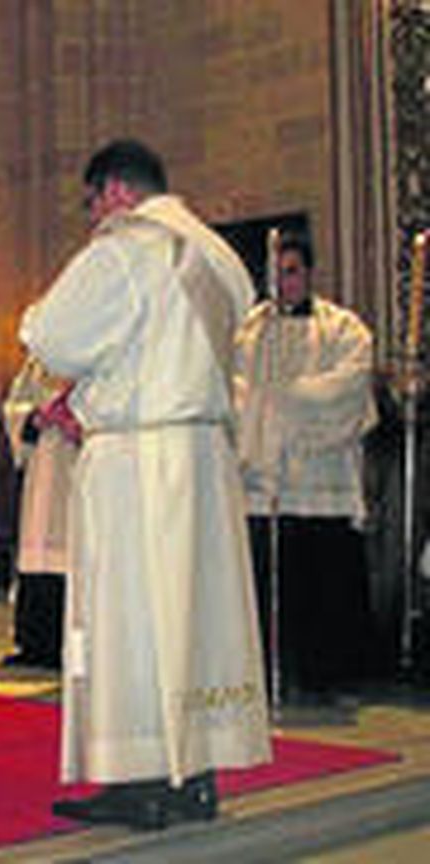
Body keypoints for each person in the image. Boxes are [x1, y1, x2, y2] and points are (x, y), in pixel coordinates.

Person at [20, 139, 271, 830]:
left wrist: (43, 332)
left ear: (116, 192)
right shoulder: (218, 257)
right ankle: (196, 775)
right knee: (194, 619)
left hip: (139, 461)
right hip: (202, 455)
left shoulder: (128, 246)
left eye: (92, 204)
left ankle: (140, 780)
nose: (93, 219)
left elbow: (55, 338)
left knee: (130, 616)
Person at [235, 233, 377, 704]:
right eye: (276, 274)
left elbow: (348, 387)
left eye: (292, 272)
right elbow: (233, 389)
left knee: (325, 583)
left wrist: (281, 404)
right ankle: (267, 672)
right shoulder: (246, 332)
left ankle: (327, 678)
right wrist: (265, 414)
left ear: (310, 273)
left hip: (321, 475)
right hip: (263, 480)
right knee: (267, 582)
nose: (284, 283)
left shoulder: (342, 328)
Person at [1, 356, 80, 668]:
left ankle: (68, 647)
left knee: (71, 553)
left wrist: (76, 421)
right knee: (37, 553)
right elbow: (13, 406)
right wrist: (33, 418)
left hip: (76, 467)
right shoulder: (37, 363)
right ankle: (33, 643)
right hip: (42, 463)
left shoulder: (92, 354)